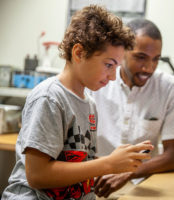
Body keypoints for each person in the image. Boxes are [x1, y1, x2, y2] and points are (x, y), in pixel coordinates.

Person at [2, 5, 153, 200]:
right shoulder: (49, 98)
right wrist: (107, 163)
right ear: (79, 53)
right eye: (108, 65)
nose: (113, 77)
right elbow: (37, 175)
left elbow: (77, 161)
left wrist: (118, 163)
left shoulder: (88, 103)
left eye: (116, 67)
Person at [91, 18, 174, 198]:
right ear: (122, 52)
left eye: (156, 60)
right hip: (94, 180)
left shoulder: (172, 88)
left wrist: (128, 172)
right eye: (140, 57)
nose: (149, 68)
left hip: (141, 183)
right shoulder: (97, 82)